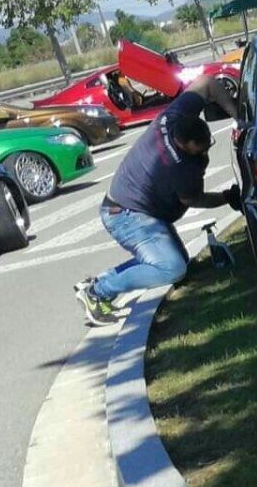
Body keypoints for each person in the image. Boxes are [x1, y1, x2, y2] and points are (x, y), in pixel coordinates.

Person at [73, 74, 240, 326]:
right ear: (184, 145)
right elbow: (195, 200)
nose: (206, 151)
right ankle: (97, 293)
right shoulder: (178, 167)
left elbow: (207, 83)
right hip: (127, 216)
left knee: (178, 263)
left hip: (129, 205)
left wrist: (237, 114)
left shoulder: (171, 117)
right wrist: (228, 197)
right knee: (172, 269)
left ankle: (99, 282)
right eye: (201, 148)